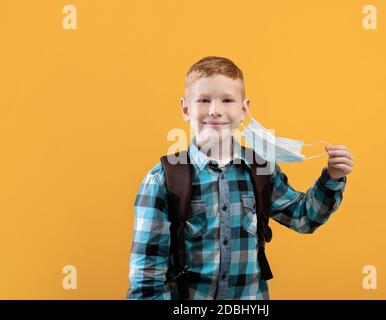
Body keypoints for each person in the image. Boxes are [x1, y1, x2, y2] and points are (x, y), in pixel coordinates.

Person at [126, 56, 354, 300]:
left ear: (243, 109)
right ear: (185, 108)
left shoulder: (261, 170)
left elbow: (304, 217)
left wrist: (332, 177)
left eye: (227, 100)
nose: (215, 110)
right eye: (203, 100)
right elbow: (146, 278)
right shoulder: (163, 180)